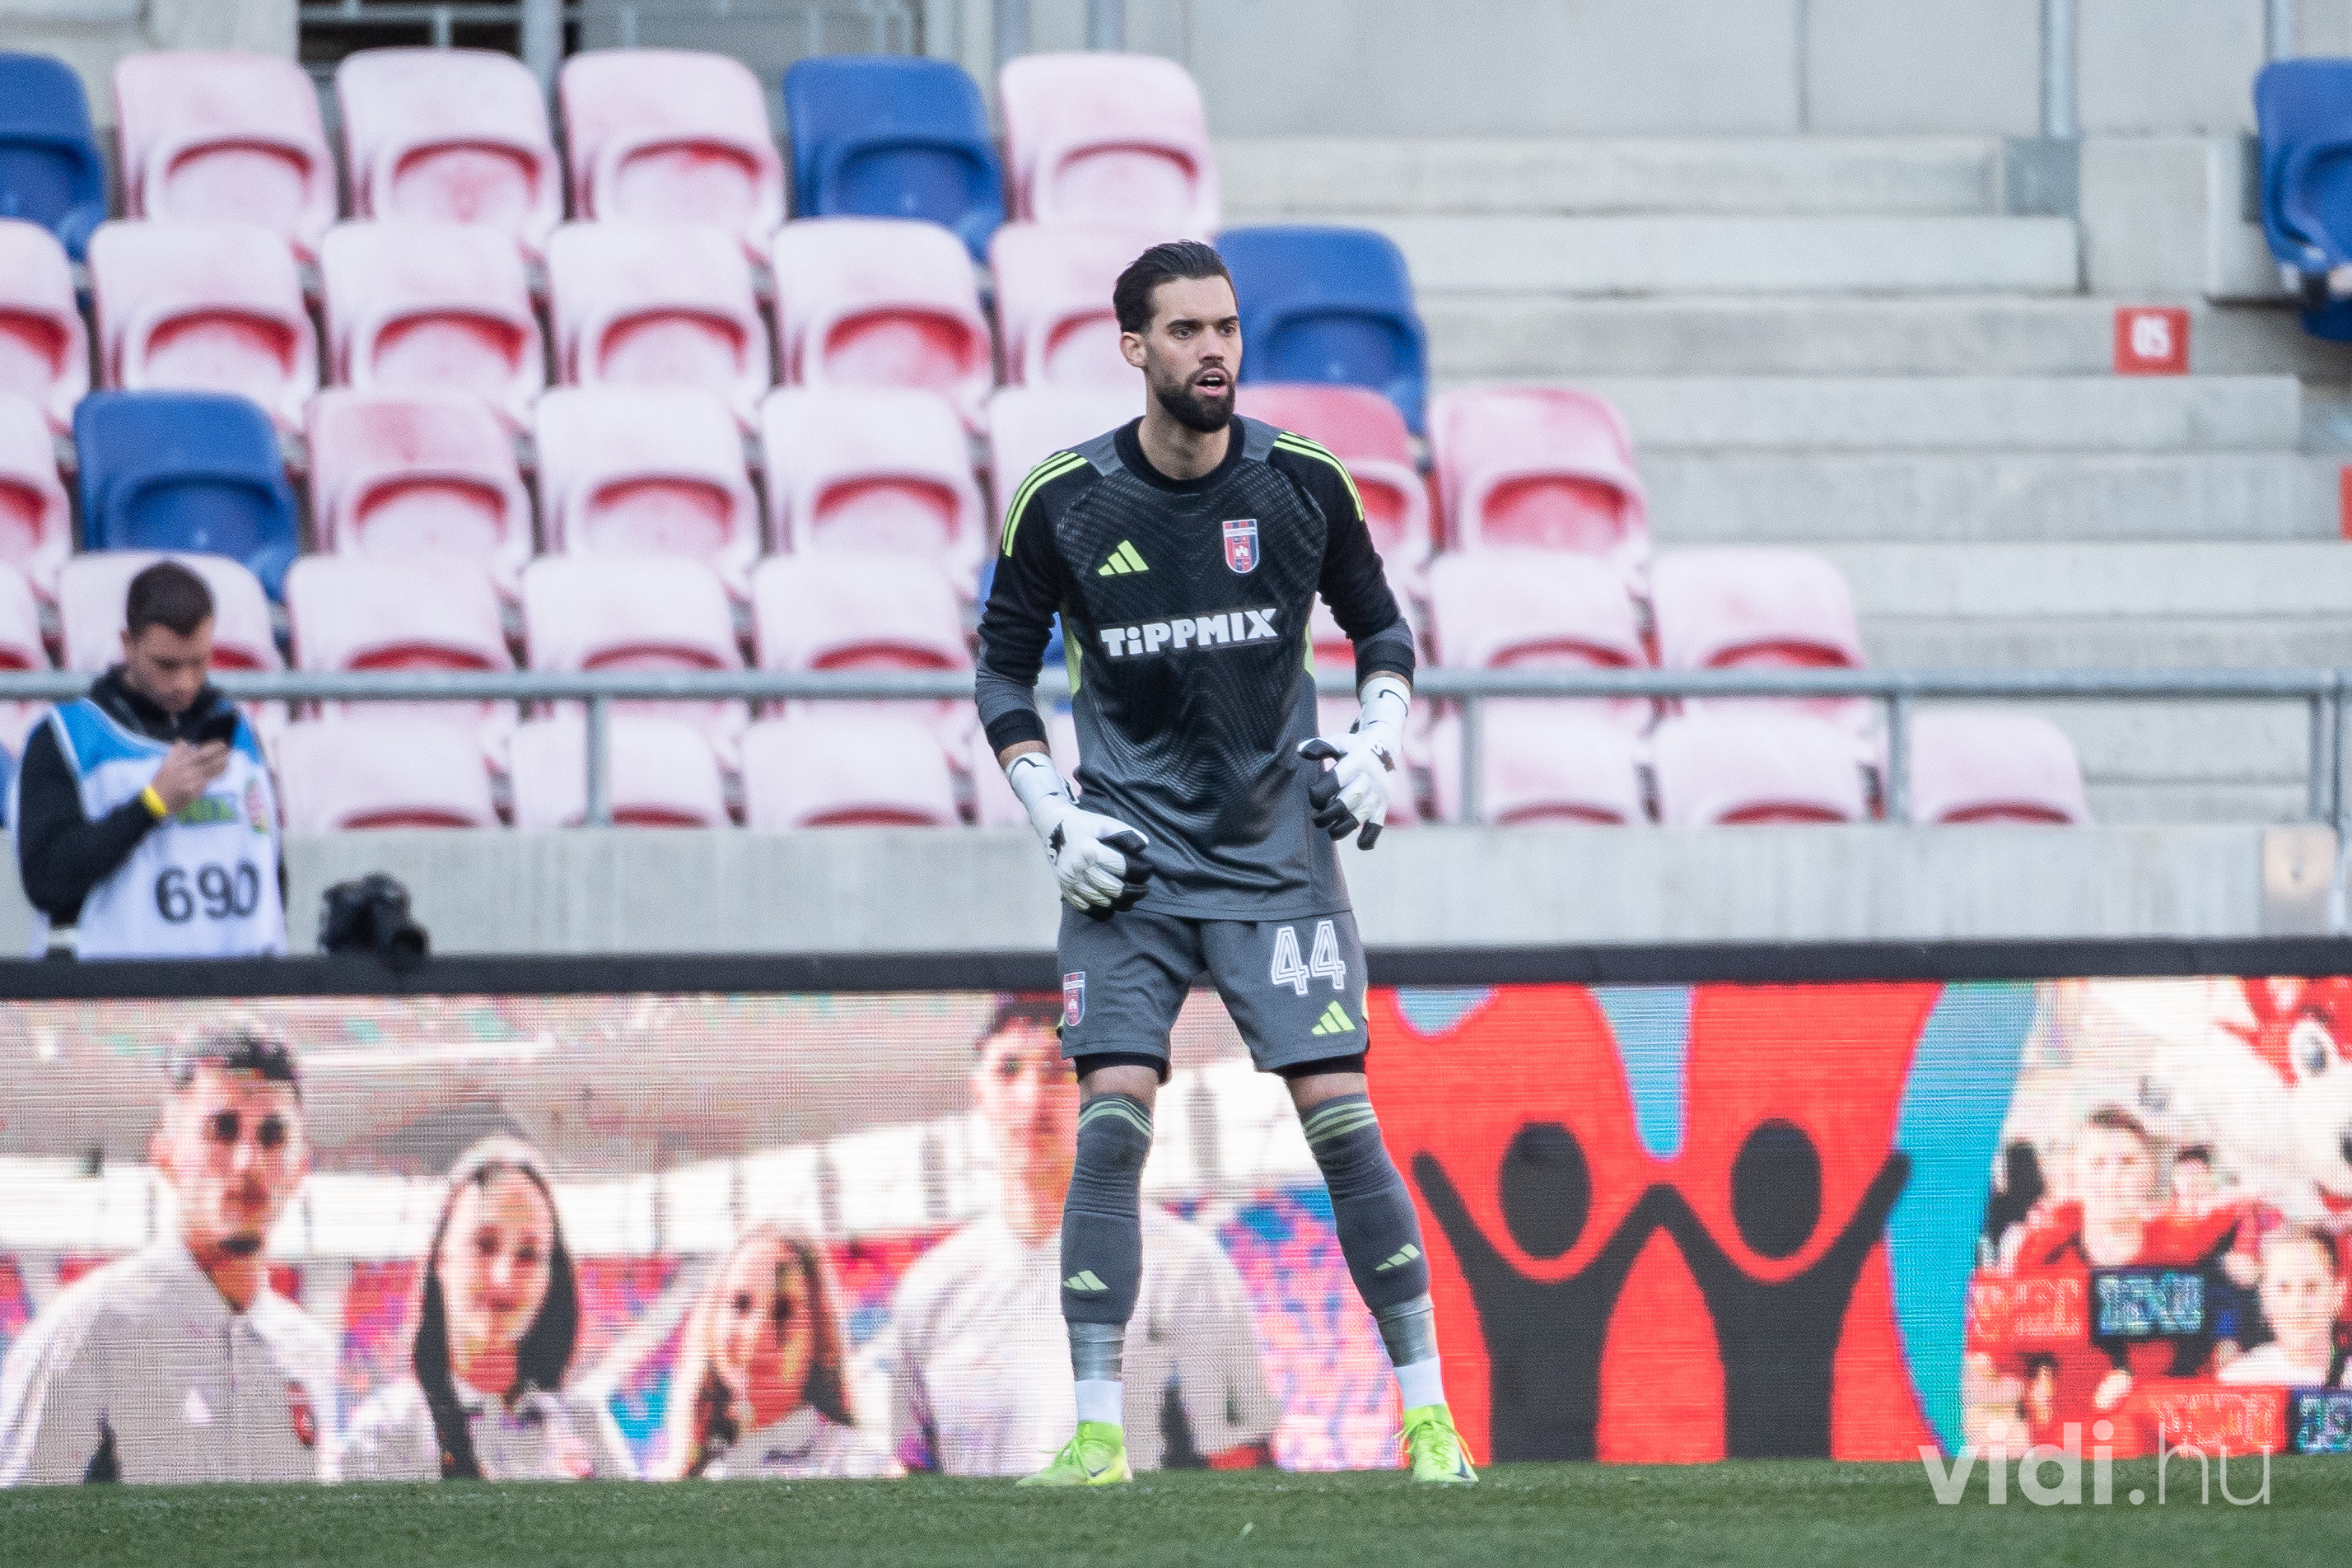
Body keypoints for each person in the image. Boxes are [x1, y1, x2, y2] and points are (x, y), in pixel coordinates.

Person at [971, 238, 1471, 1487]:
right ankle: (1098, 1434)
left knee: (1342, 1121)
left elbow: (1384, 631)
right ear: (1134, 348)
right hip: (1129, 865)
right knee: (1109, 1125)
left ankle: (1429, 1418)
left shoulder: (1302, 483)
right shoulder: (1063, 502)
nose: (1214, 352)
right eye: (1187, 331)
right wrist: (1054, 818)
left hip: (1274, 857)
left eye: (1228, 329)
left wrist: (1378, 744)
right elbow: (1001, 674)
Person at [884, 996, 1274, 1477]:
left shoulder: (1184, 1268)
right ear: (978, 1092)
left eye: (1059, 1070)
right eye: (1008, 1070)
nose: (1032, 1100)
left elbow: (1240, 1469)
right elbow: (911, 1477)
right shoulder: (930, 1289)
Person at [0, 1031, 337, 1484]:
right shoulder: (93, 1333)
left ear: (300, 1168)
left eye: (272, 1137)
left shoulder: (308, 1352)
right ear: (165, 1154)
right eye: (222, 1130)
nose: (247, 1162)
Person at [10, 561, 284, 959]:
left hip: (239, 986)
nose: (184, 683)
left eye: (199, 662)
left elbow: (271, 870)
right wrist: (152, 804)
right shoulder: (66, 736)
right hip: (116, 987)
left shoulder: (238, 733)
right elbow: (47, 880)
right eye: (166, 665)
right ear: (128, 644)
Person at [339, 1136, 632, 1482]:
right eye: (484, 1245)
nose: (503, 1277)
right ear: (441, 1259)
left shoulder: (585, 1425)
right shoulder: (387, 1434)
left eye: (528, 1255)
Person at [669, 1224, 892, 1479]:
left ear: (818, 1338)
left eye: (783, 1311)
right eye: (740, 1304)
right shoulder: (689, 1471)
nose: (755, 1335)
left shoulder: (862, 1470)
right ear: (711, 1318)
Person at [2218, 1225, 2350, 1387]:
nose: (2298, 1303)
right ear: (2264, 1297)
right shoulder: (2242, 1380)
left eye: (2312, 1287)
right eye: (2284, 1288)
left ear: (2337, 1295)